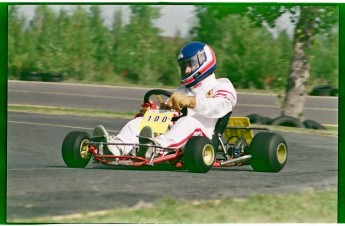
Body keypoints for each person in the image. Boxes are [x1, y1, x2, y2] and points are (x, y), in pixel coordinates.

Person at [93, 41, 237, 159]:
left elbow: (221, 106)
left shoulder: (221, 85)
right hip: (176, 132)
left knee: (188, 122)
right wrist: (155, 112)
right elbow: (172, 115)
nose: (186, 70)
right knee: (140, 122)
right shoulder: (182, 90)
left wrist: (190, 101)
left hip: (202, 135)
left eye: (190, 64)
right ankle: (117, 147)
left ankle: (156, 149)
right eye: (183, 66)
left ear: (204, 61)